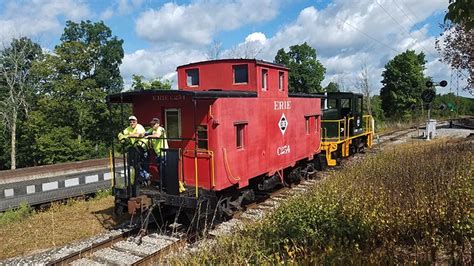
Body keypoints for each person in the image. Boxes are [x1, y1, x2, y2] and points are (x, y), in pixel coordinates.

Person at [118, 115, 149, 185]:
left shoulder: (139, 127)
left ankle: (146, 179)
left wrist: (127, 136)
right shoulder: (128, 128)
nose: (132, 123)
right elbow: (120, 134)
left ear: (136, 122)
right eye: (130, 122)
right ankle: (144, 179)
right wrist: (121, 137)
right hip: (136, 149)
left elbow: (139, 135)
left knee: (143, 165)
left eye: (133, 121)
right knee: (135, 164)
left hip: (143, 148)